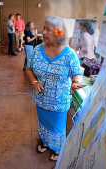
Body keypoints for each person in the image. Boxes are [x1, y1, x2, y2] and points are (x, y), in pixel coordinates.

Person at [26, 15, 86, 162]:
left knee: (57, 128)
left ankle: (58, 149)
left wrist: (75, 82)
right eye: (44, 29)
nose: (43, 32)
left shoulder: (69, 54)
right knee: (44, 124)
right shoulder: (37, 50)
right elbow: (29, 69)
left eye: (48, 30)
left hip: (59, 101)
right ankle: (46, 142)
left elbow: (77, 73)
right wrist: (34, 82)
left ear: (59, 33)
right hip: (41, 99)